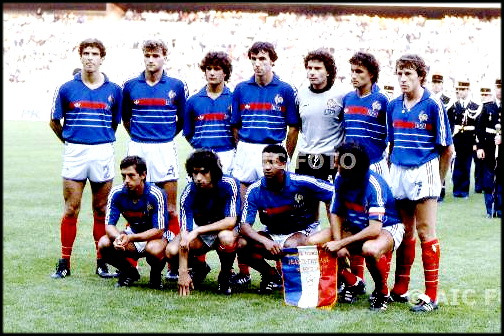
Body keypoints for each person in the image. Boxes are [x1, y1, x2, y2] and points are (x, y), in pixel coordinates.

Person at [49, 38, 122, 279]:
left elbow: (114, 123)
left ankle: (101, 263)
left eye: (94, 53)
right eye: (86, 53)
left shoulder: (114, 90)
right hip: (75, 152)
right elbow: (54, 121)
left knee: (101, 209)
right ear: (80, 57)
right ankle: (64, 263)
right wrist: (70, 141)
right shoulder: (66, 88)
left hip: (102, 150)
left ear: (102, 58)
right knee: (71, 209)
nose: (90, 57)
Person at [229, 41, 300, 287]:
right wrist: (243, 149)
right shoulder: (240, 88)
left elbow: (293, 127)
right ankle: (245, 272)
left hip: (273, 149)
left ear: (272, 61)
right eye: (254, 59)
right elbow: (235, 126)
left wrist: (284, 156)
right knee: (241, 211)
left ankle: (283, 271)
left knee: (280, 210)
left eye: (262, 59)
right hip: (247, 150)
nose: (258, 64)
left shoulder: (286, 89)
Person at [387, 54, 454, 312]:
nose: (403, 79)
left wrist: (438, 180)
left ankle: (431, 295)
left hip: (424, 170)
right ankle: (401, 288)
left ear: (420, 76)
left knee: (426, 232)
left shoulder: (433, 105)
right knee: (404, 231)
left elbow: (447, 149)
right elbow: (391, 143)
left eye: (409, 74)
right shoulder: (394, 106)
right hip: (399, 170)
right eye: (400, 74)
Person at [307, 142, 405, 311]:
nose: (335, 165)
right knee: (312, 242)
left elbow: (374, 229)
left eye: (338, 162)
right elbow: (336, 212)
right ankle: (353, 282)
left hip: (386, 227)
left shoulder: (374, 185)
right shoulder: (340, 179)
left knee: (370, 250)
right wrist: (338, 242)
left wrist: (341, 243)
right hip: (355, 227)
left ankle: (382, 292)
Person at [121, 39, 189, 279]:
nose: (151, 59)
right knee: (134, 207)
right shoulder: (130, 86)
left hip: (164, 148)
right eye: (147, 55)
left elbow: (182, 120)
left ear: (164, 57)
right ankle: (131, 264)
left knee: (170, 209)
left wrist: (164, 136)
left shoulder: (177, 86)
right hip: (139, 147)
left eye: (156, 55)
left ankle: (173, 262)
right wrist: (141, 139)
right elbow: (126, 120)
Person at [237, 144, 334, 294]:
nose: (267, 167)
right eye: (264, 162)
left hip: (302, 231)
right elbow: (244, 226)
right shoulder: (255, 189)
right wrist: (266, 241)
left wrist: (335, 227)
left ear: (283, 164)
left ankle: (304, 279)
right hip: (273, 233)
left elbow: (334, 193)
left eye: (272, 162)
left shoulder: (301, 182)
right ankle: (272, 276)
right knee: (242, 244)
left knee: (291, 244)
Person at [342, 51, 391, 291]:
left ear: (371, 74)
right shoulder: (348, 99)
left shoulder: (383, 100)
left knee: (381, 223)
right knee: (353, 221)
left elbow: (391, 136)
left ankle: (384, 283)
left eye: (359, 72)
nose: (354, 76)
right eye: (352, 71)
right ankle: (356, 281)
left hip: (376, 165)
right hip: (351, 168)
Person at [165, 149, 241, 296]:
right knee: (171, 251)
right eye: (195, 173)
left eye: (204, 172)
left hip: (224, 230)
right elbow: (185, 235)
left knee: (227, 237)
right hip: (202, 233)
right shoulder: (188, 192)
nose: (198, 178)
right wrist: (182, 271)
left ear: (214, 171)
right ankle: (200, 268)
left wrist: (197, 231)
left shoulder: (229, 184)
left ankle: (225, 275)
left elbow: (231, 221)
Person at [97, 156, 169, 289]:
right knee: (104, 243)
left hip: (156, 238)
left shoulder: (156, 194)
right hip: (134, 234)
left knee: (154, 249)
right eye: (123, 176)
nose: (126, 180)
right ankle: (129, 271)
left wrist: (130, 237)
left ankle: (155, 275)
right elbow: (109, 226)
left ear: (143, 175)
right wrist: (119, 238)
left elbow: (158, 231)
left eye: (131, 176)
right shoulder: (117, 193)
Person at [295, 48, 345, 183]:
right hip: (305, 156)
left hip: (330, 158)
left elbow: (347, 129)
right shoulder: (301, 94)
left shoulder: (341, 95)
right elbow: (299, 126)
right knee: (304, 203)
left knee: (331, 201)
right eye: (309, 68)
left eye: (317, 68)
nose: (312, 72)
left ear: (328, 71)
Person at [183, 51, 236, 174]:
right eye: (209, 68)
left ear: (225, 72)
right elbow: (188, 132)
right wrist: (200, 146)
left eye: (217, 69)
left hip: (227, 155)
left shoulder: (234, 99)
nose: (212, 73)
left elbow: (238, 131)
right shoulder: (193, 100)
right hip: (200, 155)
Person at [447, 80, 481, 198]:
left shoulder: (475, 106)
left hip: (468, 139)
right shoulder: (454, 106)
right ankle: (457, 191)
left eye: (463, 89)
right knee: (457, 164)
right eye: (459, 89)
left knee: (466, 165)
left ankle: (464, 191)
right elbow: (450, 122)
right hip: (457, 138)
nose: (460, 91)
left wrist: (476, 142)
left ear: (468, 90)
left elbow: (477, 126)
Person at [476, 78, 502, 218]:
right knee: (488, 179)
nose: (500, 90)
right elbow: (479, 129)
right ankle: (490, 209)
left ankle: (500, 208)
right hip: (489, 149)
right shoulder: (488, 107)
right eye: (498, 87)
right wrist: (480, 148)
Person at [430, 73, 454, 202]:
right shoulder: (427, 98)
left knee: (443, 164)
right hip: (430, 138)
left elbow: (451, 122)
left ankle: (441, 190)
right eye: (434, 83)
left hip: (443, 138)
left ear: (442, 84)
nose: (436, 85)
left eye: (438, 83)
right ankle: (432, 190)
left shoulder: (448, 101)